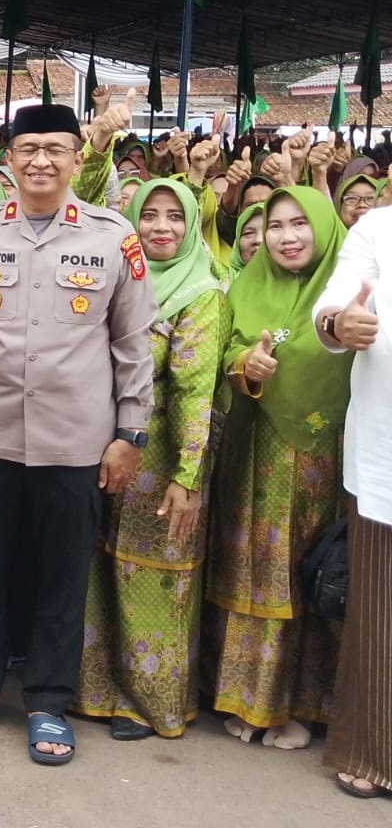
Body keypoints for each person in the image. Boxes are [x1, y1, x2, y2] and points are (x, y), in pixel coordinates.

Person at [0, 103, 156, 766]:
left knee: (61, 575)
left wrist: (131, 432)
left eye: (56, 149)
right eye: (28, 149)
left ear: (78, 158)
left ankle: (49, 701)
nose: (41, 161)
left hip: (75, 440)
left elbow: (133, 343)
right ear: (10, 157)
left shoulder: (112, 238)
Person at [74, 179, 226, 739]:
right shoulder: (118, 279)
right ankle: (96, 691)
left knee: (155, 580)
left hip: (160, 460)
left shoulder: (200, 294)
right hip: (102, 450)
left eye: (175, 216)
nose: (162, 227)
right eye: (150, 214)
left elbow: (195, 391)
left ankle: (149, 703)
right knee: (101, 571)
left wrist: (187, 476)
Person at [208, 186, 349, 748]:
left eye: (300, 224)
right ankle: (251, 700)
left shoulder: (349, 291)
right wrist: (247, 362)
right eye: (275, 226)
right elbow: (223, 351)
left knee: (308, 572)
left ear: (325, 229)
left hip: (321, 462)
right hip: (250, 454)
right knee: (251, 567)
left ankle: (300, 707)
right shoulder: (247, 285)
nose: (287, 237)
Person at [313, 196, 392, 798]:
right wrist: (340, 324)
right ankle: (375, 752)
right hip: (385, 455)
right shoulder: (379, 228)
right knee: (380, 611)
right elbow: (333, 305)